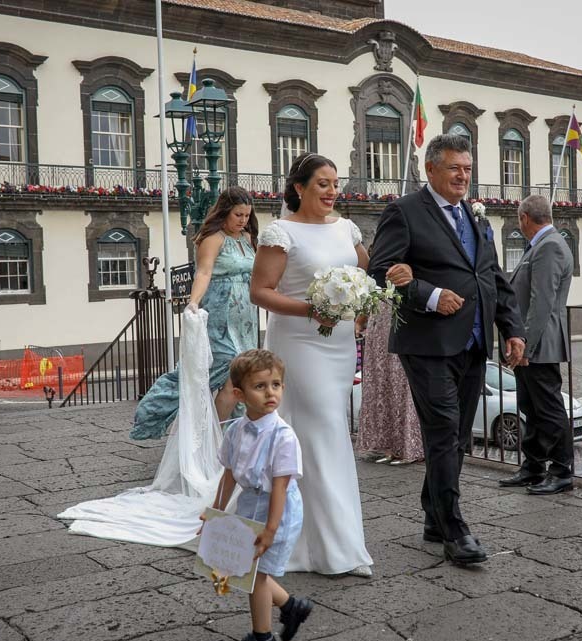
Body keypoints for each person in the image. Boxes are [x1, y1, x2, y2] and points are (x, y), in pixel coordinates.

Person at [368, 133, 526, 566]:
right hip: (428, 342)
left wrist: (512, 329)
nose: (463, 176)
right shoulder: (404, 211)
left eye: (468, 169)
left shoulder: (476, 217)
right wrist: (430, 295)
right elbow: (381, 270)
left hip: (474, 342)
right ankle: (455, 528)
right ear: (431, 170)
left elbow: (492, 276)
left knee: (456, 436)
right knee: (443, 431)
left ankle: (433, 516)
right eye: (454, 168)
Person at [251, 152, 374, 577]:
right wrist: (310, 309)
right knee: (324, 430)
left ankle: (307, 537)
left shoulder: (347, 228)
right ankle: (333, 549)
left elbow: (362, 271)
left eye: (335, 184)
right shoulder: (280, 233)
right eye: (322, 183)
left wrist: (362, 303)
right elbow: (260, 292)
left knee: (327, 430)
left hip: (339, 345)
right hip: (300, 343)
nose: (331, 191)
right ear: (299, 188)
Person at [203, 349, 313, 641]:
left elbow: (280, 487)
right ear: (239, 394)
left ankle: (262, 639)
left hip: (277, 510)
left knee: (255, 575)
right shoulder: (236, 430)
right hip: (250, 504)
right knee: (248, 568)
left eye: (276, 385)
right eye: (260, 386)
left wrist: (270, 530)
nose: (270, 393)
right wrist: (216, 512)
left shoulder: (283, 436)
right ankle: (292, 607)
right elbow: (228, 475)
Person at [131, 187, 259, 440]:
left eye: (246, 215)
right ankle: (215, 438)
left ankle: (228, 435)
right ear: (225, 212)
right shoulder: (213, 238)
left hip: (246, 317)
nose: (243, 220)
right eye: (238, 214)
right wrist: (193, 303)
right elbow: (203, 272)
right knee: (227, 370)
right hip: (221, 314)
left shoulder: (247, 238)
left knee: (241, 376)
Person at [498, 195, 575, 495]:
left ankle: (561, 470)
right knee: (530, 405)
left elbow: (541, 302)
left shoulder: (550, 246)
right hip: (533, 343)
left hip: (540, 344)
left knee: (549, 407)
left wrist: (525, 346)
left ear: (524, 218)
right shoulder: (542, 246)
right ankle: (533, 467)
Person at [355, 300, 424, 465]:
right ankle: (391, 448)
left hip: (401, 315)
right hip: (379, 319)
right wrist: (360, 320)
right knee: (382, 382)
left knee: (400, 382)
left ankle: (409, 447)